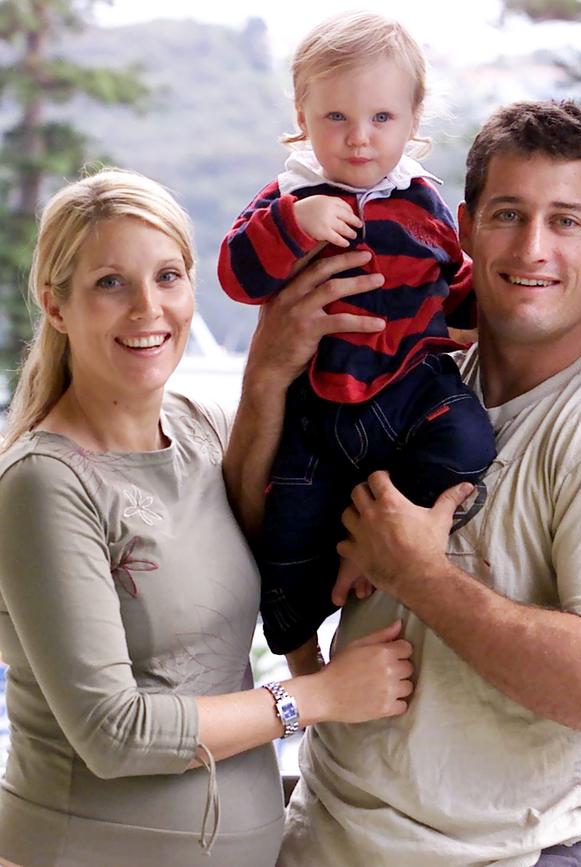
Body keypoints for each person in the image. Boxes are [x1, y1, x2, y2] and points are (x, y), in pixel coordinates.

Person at [227, 100, 581, 867]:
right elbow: (265, 533)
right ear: (459, 227)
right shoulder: (409, 371)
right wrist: (266, 377)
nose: (532, 247)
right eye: (508, 214)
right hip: (325, 835)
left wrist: (417, 574)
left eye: (566, 221)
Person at [0, 168, 415, 867]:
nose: (147, 309)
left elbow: (300, 506)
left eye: (168, 277)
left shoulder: (203, 430)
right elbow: (115, 731)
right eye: (110, 283)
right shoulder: (44, 484)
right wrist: (318, 695)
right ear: (56, 304)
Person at [218, 11, 496, 661]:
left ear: (413, 118)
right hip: (316, 410)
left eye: (381, 119)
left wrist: (490, 291)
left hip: (408, 388)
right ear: (303, 114)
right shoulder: (290, 193)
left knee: (468, 440)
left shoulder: (423, 202)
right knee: (282, 538)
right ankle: (299, 650)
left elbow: (452, 285)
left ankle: (366, 554)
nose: (359, 139)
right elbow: (237, 274)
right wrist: (294, 221)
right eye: (336, 118)